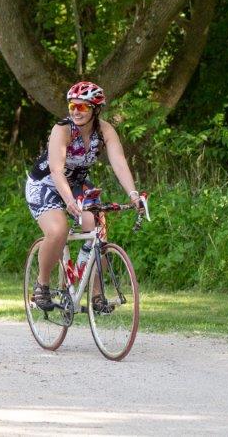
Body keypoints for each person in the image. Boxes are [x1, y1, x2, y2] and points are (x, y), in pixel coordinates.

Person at [25, 81, 146, 313]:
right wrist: (69, 201)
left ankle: (96, 295)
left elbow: (119, 162)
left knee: (97, 227)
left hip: (78, 184)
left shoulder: (105, 130)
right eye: (73, 106)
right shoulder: (62, 129)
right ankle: (42, 284)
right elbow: (56, 170)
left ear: (95, 109)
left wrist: (133, 195)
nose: (76, 111)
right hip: (46, 183)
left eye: (83, 107)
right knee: (58, 230)